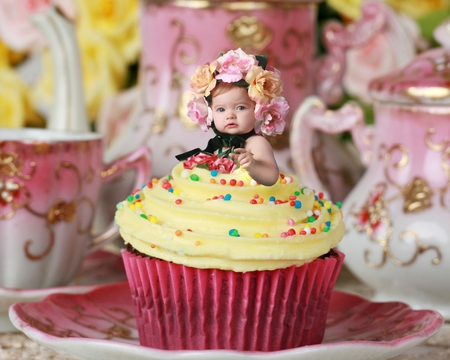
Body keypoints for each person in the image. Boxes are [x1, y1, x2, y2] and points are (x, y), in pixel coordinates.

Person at [176, 48, 289, 186]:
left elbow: (271, 176)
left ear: (257, 110)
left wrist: (254, 166)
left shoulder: (256, 143)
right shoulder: (219, 145)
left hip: (249, 203)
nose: (230, 116)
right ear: (210, 113)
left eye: (240, 107)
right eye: (221, 109)